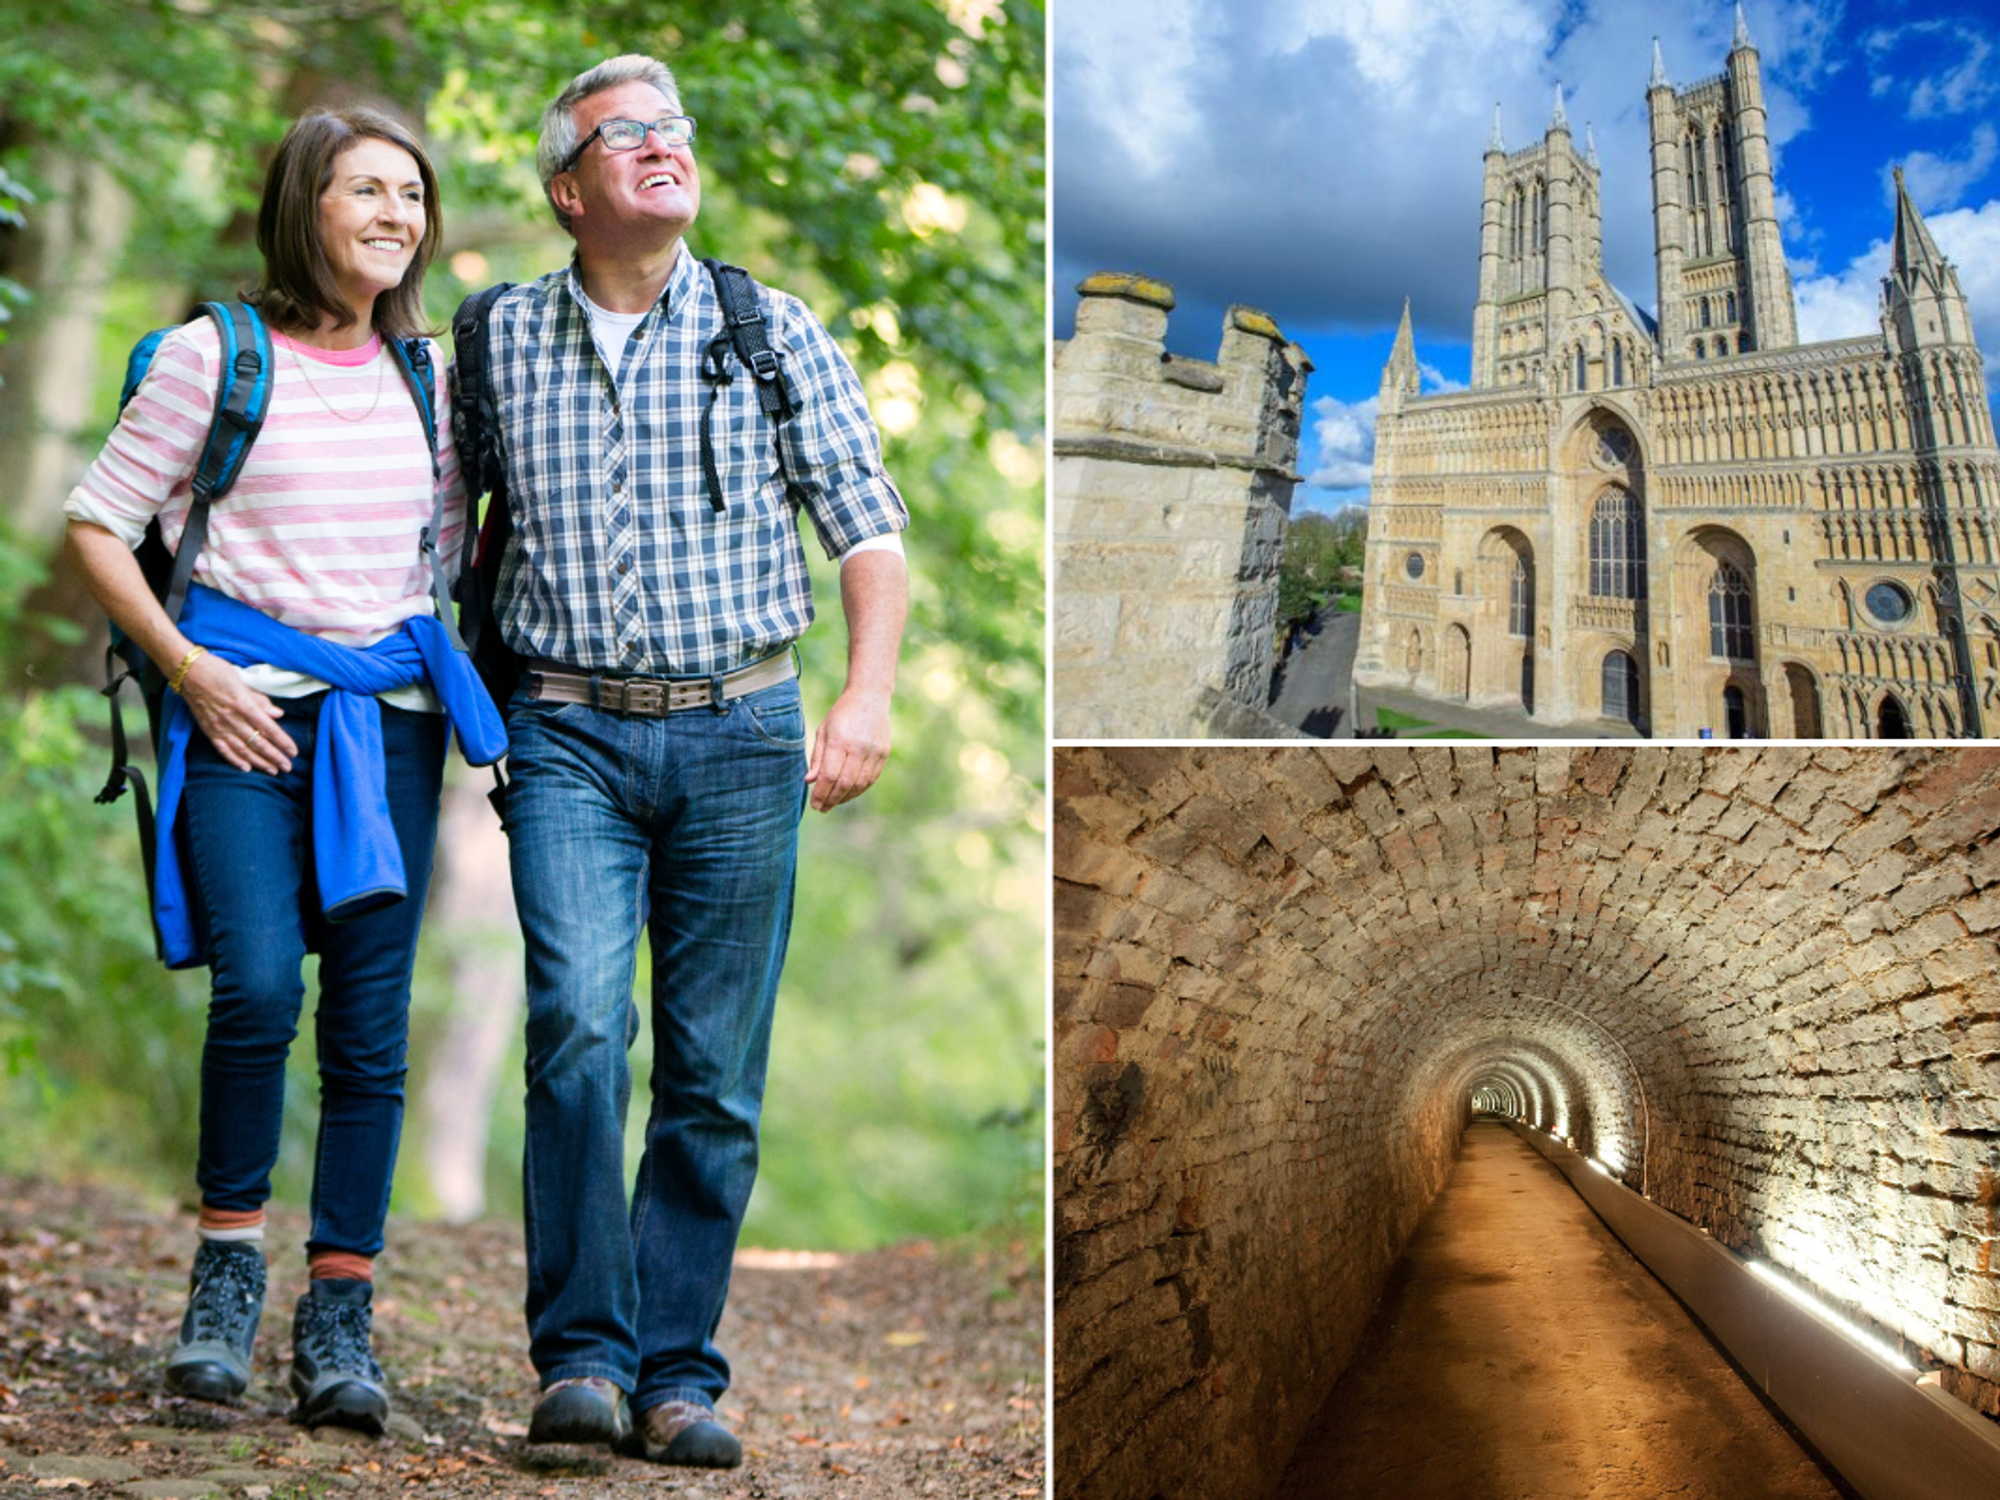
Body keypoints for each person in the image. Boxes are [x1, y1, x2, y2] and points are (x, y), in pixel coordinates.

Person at [465, 54, 909, 1468]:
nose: (663, 148)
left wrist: (868, 698)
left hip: (743, 733)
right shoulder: (492, 342)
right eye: (626, 134)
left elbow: (869, 532)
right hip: (566, 734)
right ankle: (582, 1362)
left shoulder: (770, 329)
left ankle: (678, 1376)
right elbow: (430, 542)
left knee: (712, 1075)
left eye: (675, 130)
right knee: (581, 1033)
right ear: (568, 189)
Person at [64, 107, 501, 1433]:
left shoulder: (428, 374)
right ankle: (225, 1277)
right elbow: (98, 521)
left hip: (391, 724)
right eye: (367, 189)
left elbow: (444, 559)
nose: (396, 214)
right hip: (240, 708)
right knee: (257, 985)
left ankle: (340, 1318)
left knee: (370, 1029)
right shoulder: (215, 359)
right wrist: (190, 673)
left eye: (412, 196)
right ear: (306, 202)